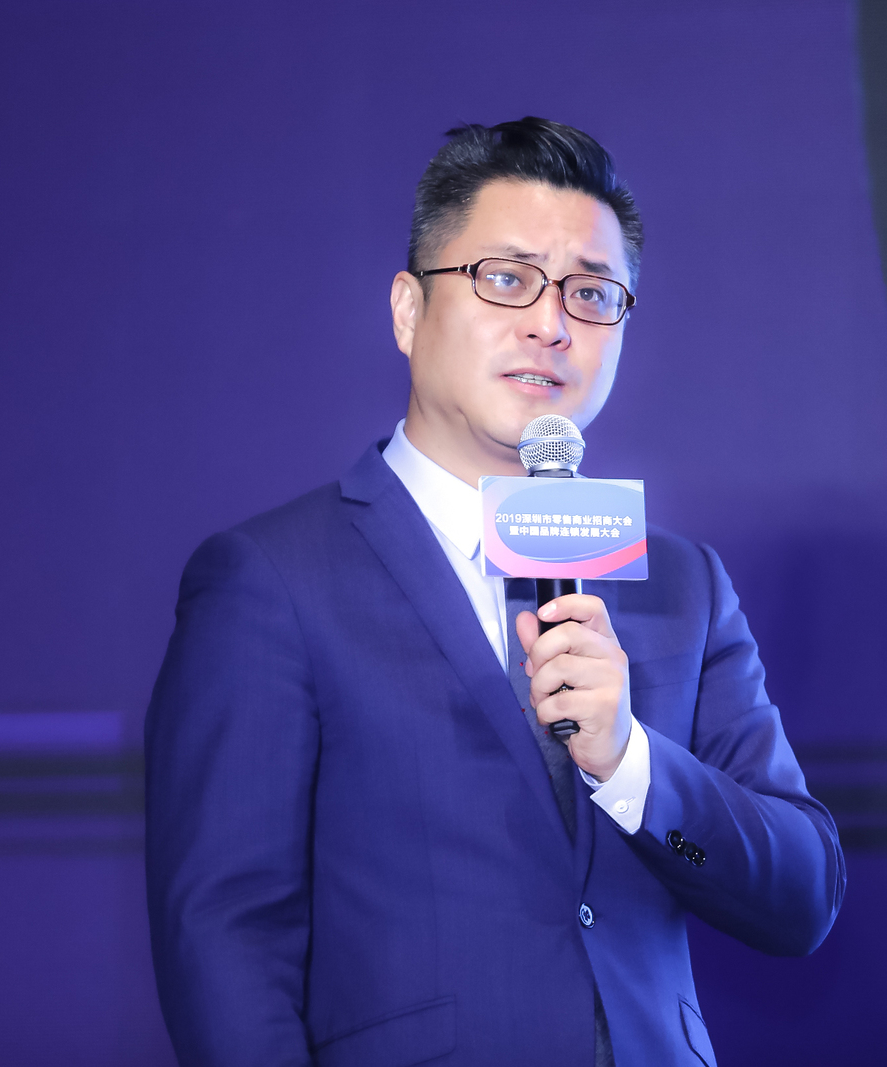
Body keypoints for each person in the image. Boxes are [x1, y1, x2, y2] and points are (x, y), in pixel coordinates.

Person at [144, 116, 845, 1067]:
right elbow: (225, 937)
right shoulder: (272, 579)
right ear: (408, 310)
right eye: (507, 279)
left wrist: (631, 764)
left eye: (590, 293)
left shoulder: (681, 584)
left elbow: (800, 897)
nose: (551, 324)